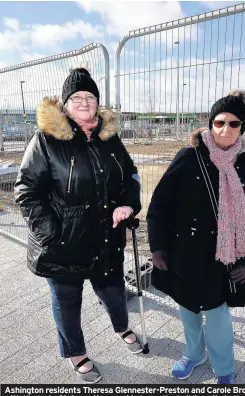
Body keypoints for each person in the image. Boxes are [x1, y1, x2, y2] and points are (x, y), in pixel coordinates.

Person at [15, 65, 142, 383]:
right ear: (65, 104)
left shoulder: (110, 139)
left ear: (98, 103)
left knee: (113, 292)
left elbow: (130, 176)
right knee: (67, 302)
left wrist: (128, 203)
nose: (84, 102)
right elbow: (27, 192)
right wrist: (51, 234)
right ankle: (76, 353)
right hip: (62, 245)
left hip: (105, 239)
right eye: (76, 97)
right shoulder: (46, 140)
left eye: (90, 96)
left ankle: (122, 327)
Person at [147, 90, 245, 384]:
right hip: (185, 251)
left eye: (234, 123)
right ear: (210, 123)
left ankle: (224, 368)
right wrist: (158, 248)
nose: (225, 129)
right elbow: (160, 203)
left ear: (243, 127)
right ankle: (194, 354)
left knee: (217, 317)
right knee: (188, 308)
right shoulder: (189, 157)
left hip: (224, 256)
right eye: (219, 122)